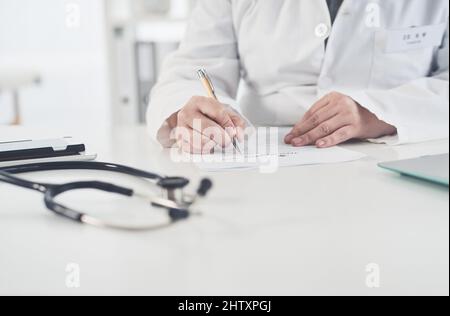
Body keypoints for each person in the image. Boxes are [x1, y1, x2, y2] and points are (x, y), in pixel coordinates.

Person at [147, 0, 449, 154]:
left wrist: (380, 113)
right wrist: (192, 113)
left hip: (395, 156)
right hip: (260, 158)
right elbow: (193, 68)